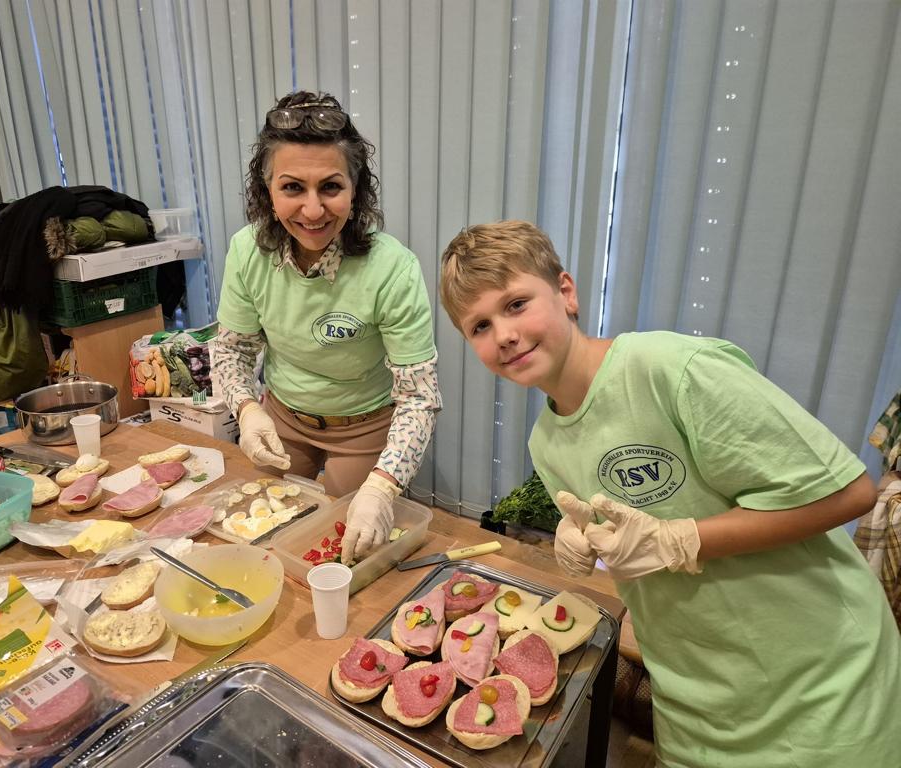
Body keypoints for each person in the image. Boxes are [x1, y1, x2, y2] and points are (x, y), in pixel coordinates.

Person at [439, 220, 901, 767]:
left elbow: (848, 493)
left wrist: (679, 540)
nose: (504, 335)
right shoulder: (547, 443)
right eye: (480, 326)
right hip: (693, 697)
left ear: (566, 292)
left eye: (516, 304)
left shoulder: (673, 371)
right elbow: (630, 547)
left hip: (820, 688)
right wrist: (585, 542)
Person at [212, 91, 440, 564]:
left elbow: (419, 396)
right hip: (281, 420)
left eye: (331, 187)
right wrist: (247, 410)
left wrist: (382, 487)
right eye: (293, 188)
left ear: (356, 191)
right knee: (261, 543)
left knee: (345, 554)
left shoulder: (393, 268)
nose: (313, 211)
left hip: (363, 429)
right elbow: (232, 350)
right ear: (268, 192)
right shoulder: (246, 251)